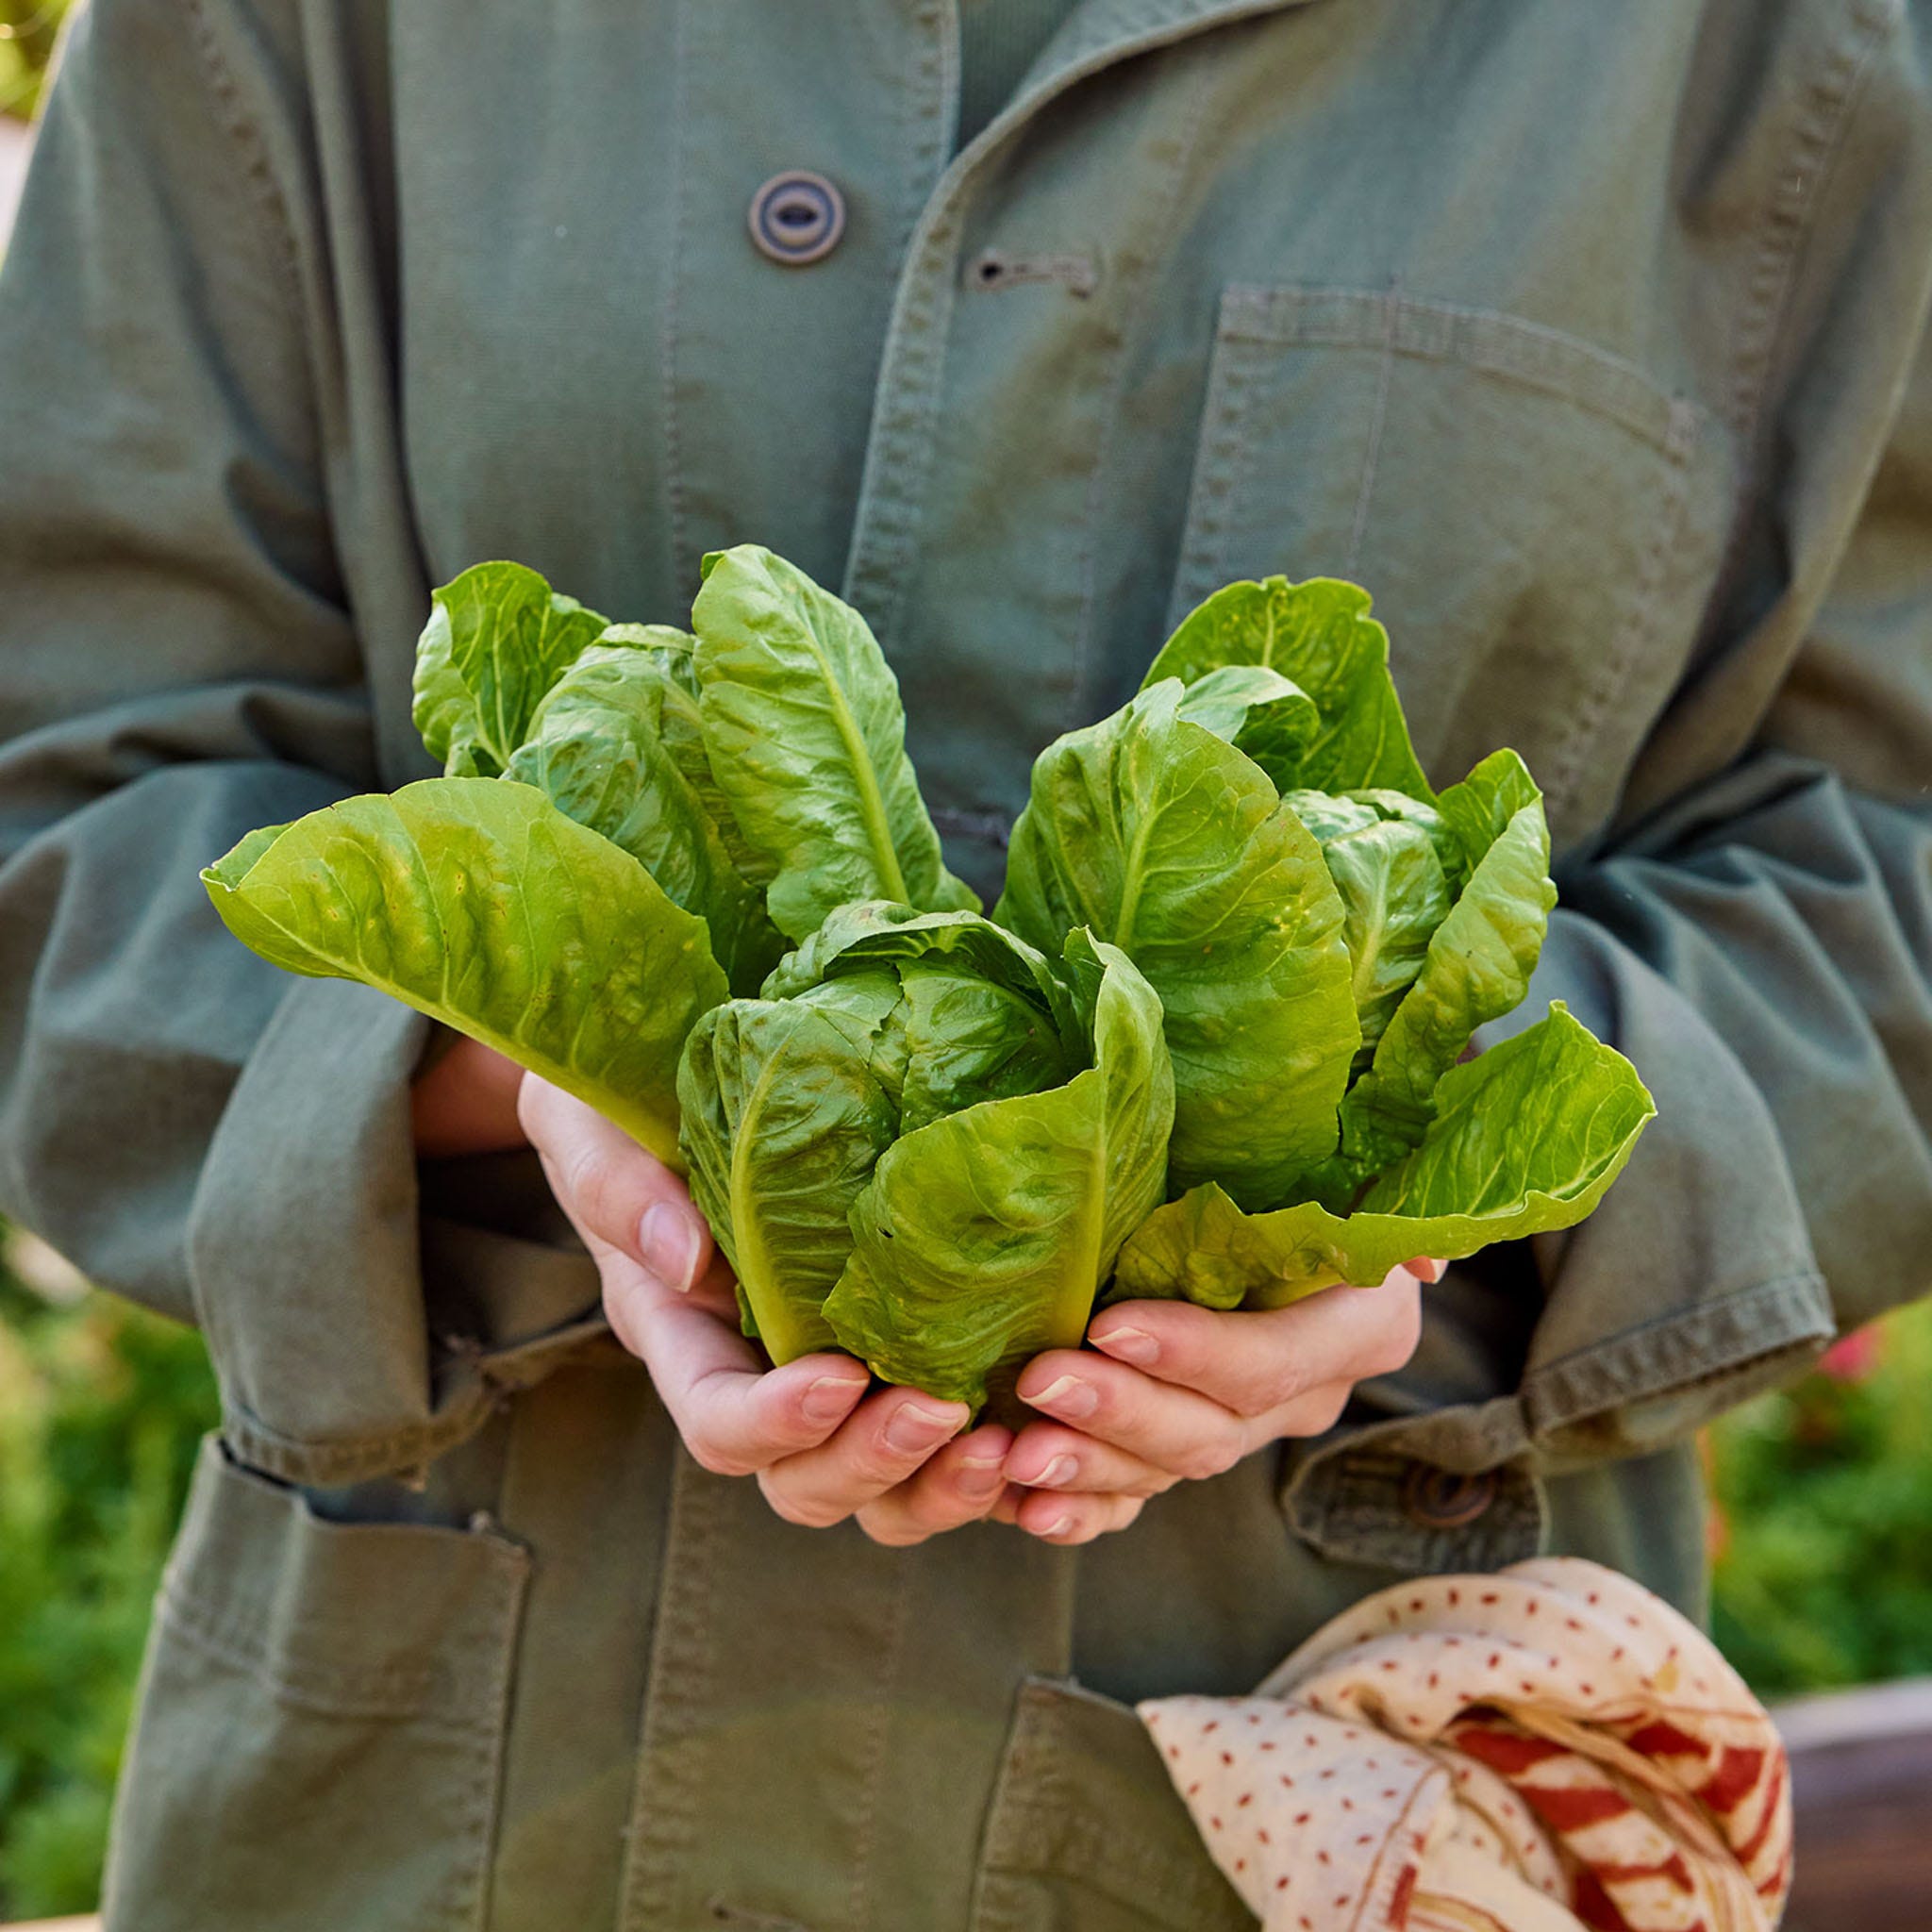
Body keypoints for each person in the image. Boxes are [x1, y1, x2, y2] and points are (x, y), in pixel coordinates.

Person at [1, 2, 1927, 1927]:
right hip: (439, 1809)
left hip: (1342, 1791)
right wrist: (558, 1067)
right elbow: (61, 798)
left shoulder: (1813, 49)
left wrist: (1353, 1173)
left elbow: (1893, 908)